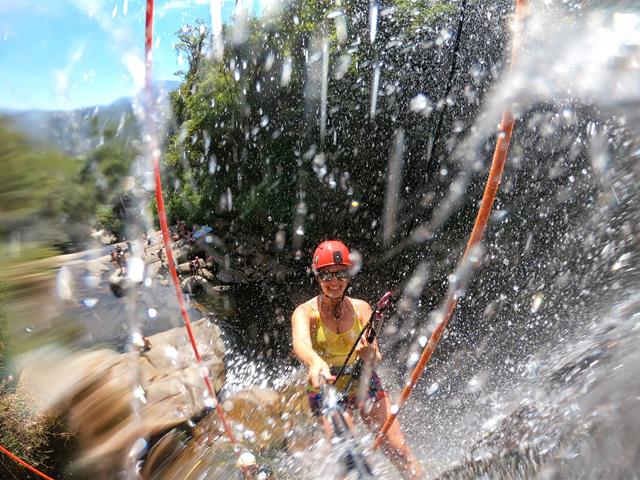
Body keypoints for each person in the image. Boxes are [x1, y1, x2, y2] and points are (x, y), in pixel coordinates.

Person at [291, 240, 424, 479]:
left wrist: (369, 355)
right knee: (349, 452)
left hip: (362, 378)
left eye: (340, 273)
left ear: (349, 275)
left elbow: (375, 354)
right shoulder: (305, 313)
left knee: (399, 450)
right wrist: (314, 361)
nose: (334, 281)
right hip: (326, 385)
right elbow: (300, 342)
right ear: (317, 277)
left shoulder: (362, 308)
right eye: (326, 275)